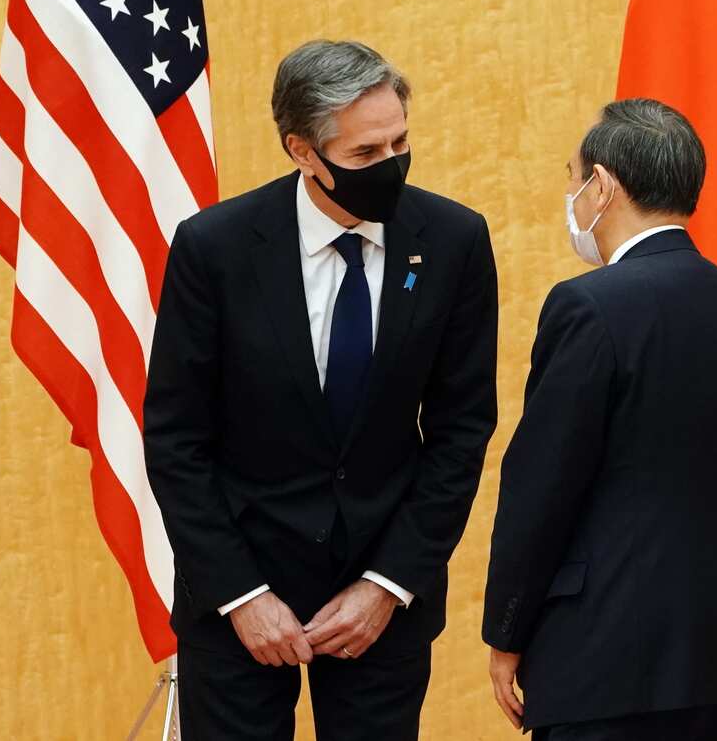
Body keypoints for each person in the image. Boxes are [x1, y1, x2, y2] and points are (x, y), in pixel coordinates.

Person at [145, 40, 498, 740]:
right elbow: (176, 438)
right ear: (302, 151)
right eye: (366, 155)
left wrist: (388, 584)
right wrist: (242, 595)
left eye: (400, 142)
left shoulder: (453, 240)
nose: (391, 164)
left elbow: (461, 431)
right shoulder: (215, 249)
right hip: (240, 592)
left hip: (381, 602)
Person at [482, 99, 717, 741]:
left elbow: (541, 486)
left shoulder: (587, 307)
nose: (571, 193)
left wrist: (506, 633)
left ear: (602, 185)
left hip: (601, 666)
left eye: (573, 177)